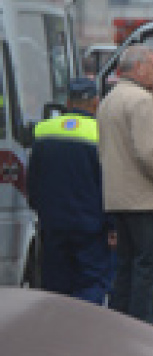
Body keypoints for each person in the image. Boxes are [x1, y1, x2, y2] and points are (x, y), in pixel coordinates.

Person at [28, 78, 112, 305]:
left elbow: (33, 179)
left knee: (55, 285)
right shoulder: (102, 132)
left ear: (67, 103)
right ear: (96, 103)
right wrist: (112, 224)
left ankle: (57, 333)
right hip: (90, 227)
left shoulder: (44, 130)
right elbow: (108, 183)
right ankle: (82, 334)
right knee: (91, 283)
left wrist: (41, 209)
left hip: (53, 224)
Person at [97, 45, 153, 322]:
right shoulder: (140, 101)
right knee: (148, 269)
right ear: (138, 68)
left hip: (118, 197)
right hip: (145, 198)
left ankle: (120, 327)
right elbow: (151, 152)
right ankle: (143, 330)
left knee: (125, 268)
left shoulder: (110, 100)